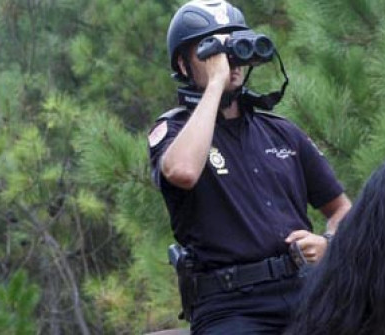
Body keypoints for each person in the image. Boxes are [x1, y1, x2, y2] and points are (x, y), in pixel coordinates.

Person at [146, 0, 352, 333]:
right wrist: (215, 84)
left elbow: (342, 208)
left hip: (307, 291)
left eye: (235, 45)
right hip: (230, 307)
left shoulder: (283, 132)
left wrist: (329, 241)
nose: (229, 61)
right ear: (184, 66)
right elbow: (183, 172)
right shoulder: (173, 132)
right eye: (212, 49)